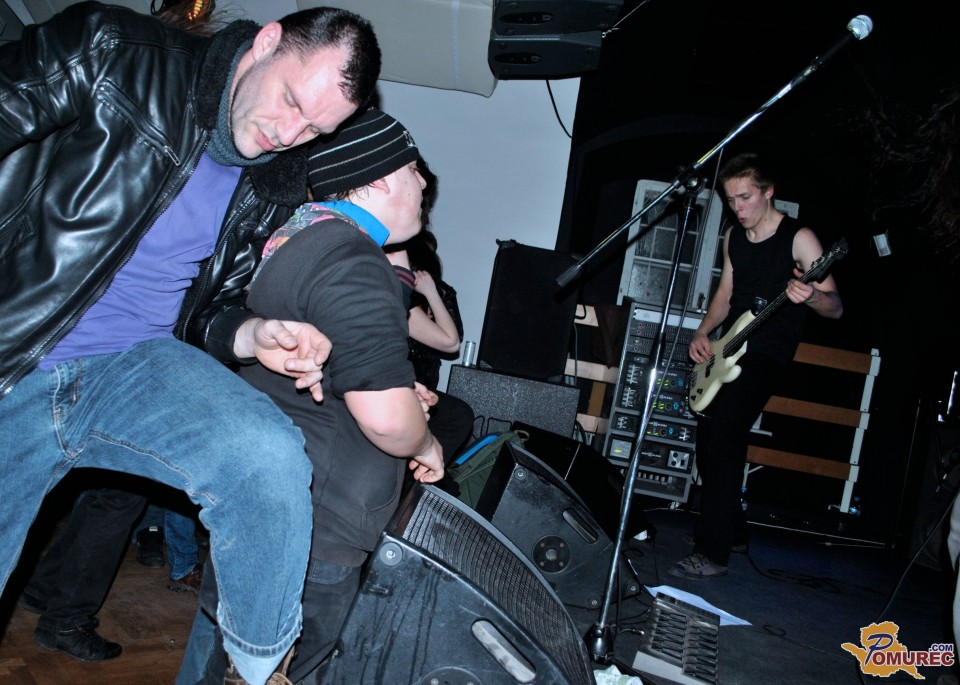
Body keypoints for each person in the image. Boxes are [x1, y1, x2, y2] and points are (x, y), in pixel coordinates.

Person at [0, 3, 380, 683]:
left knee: (267, 457)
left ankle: (256, 673)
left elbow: (211, 309)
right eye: (291, 101)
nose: (287, 133)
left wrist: (255, 333)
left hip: (131, 367)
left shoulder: (275, 179)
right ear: (266, 43)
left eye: (314, 129)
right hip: (19, 349)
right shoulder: (117, 51)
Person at [177, 107, 445, 684]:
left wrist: (395, 388)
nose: (423, 181)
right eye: (412, 168)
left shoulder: (303, 236)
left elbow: (328, 366)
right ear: (376, 178)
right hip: (313, 530)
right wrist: (424, 442)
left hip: (271, 511)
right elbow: (387, 423)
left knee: (221, 663)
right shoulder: (356, 261)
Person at [671, 152, 843, 580]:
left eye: (745, 197)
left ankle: (712, 553)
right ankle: (732, 531)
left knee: (725, 432)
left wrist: (812, 296)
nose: (738, 208)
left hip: (768, 352)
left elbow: (835, 306)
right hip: (729, 345)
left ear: (768, 192)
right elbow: (725, 295)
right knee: (708, 435)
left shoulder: (799, 238)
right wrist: (702, 333)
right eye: (731, 200)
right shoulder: (734, 236)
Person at [385, 230, 475, 467]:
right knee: (457, 416)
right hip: (398, 390)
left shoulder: (425, 300)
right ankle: (417, 475)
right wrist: (431, 293)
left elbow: (455, 336)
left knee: (455, 416)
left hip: (421, 390)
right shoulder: (401, 300)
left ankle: (421, 475)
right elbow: (450, 342)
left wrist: (436, 294)